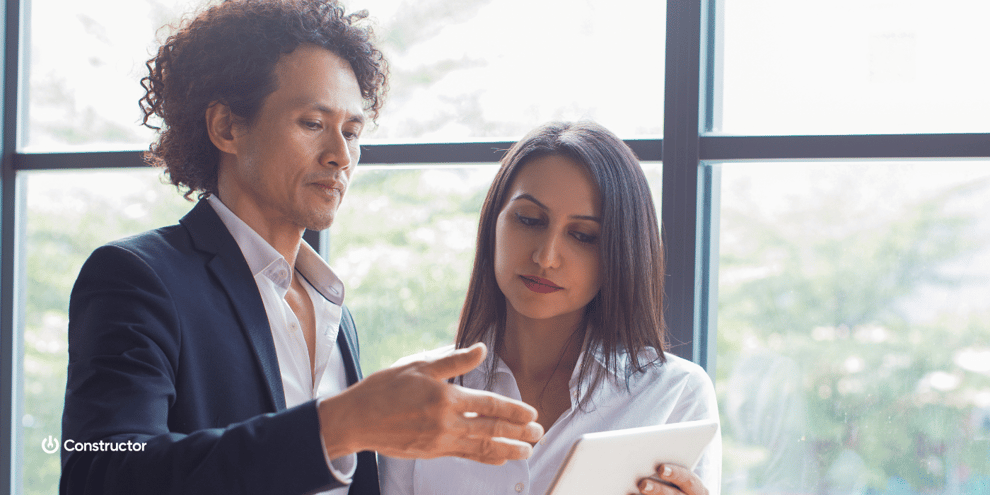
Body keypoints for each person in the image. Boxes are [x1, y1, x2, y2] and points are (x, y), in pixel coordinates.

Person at [59, 1, 542, 494]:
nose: (341, 156)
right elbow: (98, 472)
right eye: (313, 123)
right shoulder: (137, 278)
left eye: (352, 132)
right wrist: (340, 425)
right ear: (226, 127)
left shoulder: (333, 309)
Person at [379, 121, 722, 495]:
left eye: (583, 236)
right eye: (529, 220)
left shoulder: (675, 395)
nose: (546, 257)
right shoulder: (418, 391)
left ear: (620, 252)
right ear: (493, 222)